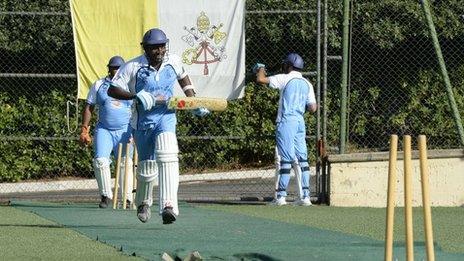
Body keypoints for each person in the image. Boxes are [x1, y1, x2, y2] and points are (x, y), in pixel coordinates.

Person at [108, 28, 210, 224]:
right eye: (154, 47)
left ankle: (168, 205)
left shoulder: (174, 60)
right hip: (142, 122)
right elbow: (113, 89)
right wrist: (135, 95)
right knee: (147, 169)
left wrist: (193, 101)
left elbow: (183, 77)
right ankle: (143, 203)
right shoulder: (132, 66)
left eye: (162, 46)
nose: (159, 50)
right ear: (145, 49)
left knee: (168, 154)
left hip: (166, 116)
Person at [253, 52, 317, 206]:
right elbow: (313, 108)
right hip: (300, 121)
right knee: (302, 159)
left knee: (285, 158)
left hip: (286, 121)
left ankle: (281, 197)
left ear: (288, 66)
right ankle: (305, 197)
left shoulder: (284, 78)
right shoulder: (307, 83)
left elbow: (261, 79)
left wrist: (260, 68)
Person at [79, 55, 134, 209]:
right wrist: (84, 129)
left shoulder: (130, 85)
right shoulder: (99, 85)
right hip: (104, 130)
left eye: (119, 68)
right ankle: (105, 196)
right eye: (113, 67)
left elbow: (138, 108)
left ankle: (128, 199)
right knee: (100, 161)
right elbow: (89, 107)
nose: (116, 71)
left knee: (125, 163)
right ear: (109, 68)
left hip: (126, 130)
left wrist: (136, 132)